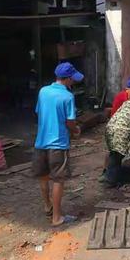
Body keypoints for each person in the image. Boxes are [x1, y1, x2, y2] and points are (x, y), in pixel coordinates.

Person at [33, 62, 83, 226]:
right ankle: (57, 217)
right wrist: (76, 131)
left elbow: (39, 112)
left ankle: (47, 205)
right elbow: (70, 121)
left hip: (41, 141)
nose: (73, 82)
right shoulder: (68, 96)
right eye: (72, 79)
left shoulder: (43, 91)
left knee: (43, 176)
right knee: (58, 179)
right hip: (58, 144)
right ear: (67, 79)